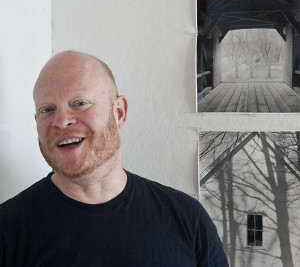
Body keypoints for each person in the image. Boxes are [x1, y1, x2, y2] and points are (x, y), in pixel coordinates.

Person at [0, 51, 228, 266]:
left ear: (119, 113)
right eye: (47, 110)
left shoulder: (188, 218)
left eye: (80, 103)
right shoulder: (8, 230)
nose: (61, 121)